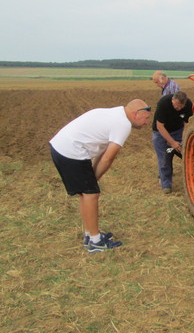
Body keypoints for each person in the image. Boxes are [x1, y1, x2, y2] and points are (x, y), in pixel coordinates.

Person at [49, 99, 152, 252]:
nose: (146, 123)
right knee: (91, 194)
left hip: (61, 146)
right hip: (71, 150)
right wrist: (93, 179)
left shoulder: (115, 113)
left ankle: (90, 235)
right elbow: (108, 158)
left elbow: (103, 151)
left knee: (87, 193)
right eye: (146, 118)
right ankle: (96, 242)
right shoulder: (122, 124)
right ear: (136, 113)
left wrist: (92, 177)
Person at [152, 90, 193, 193]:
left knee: (186, 154)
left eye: (181, 107)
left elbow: (189, 122)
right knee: (165, 158)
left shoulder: (188, 105)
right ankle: (166, 185)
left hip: (177, 131)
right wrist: (172, 142)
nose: (179, 109)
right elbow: (159, 126)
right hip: (160, 133)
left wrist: (185, 138)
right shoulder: (163, 103)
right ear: (173, 100)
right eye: (177, 106)